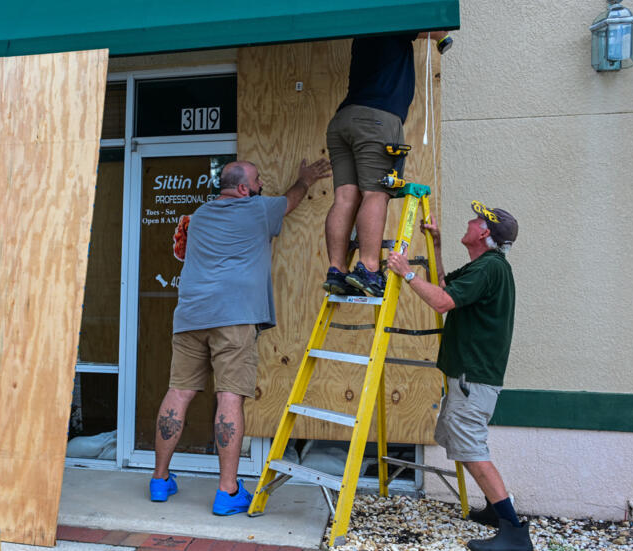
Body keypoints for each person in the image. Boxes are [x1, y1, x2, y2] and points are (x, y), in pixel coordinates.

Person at [150, 158, 332, 516]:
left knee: (179, 391)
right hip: (234, 317)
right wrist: (304, 179)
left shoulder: (199, 215)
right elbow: (292, 199)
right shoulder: (259, 209)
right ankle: (227, 491)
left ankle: (159, 480)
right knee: (230, 398)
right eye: (258, 179)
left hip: (190, 315)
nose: (263, 183)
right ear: (245, 189)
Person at [385, 201, 532, 551]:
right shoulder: (485, 266)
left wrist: (406, 272)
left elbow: (441, 302)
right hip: (468, 376)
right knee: (463, 445)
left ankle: (514, 532)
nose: (469, 220)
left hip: (474, 378)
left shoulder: (490, 268)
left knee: (473, 449)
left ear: (484, 232)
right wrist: (434, 246)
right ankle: (499, 512)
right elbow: (446, 287)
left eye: (477, 219)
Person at [323, 30, 451, 298]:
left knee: (345, 196)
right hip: (377, 120)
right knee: (375, 193)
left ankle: (336, 269)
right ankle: (368, 268)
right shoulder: (396, 17)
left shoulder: (364, 26)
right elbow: (438, 26)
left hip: (343, 119)